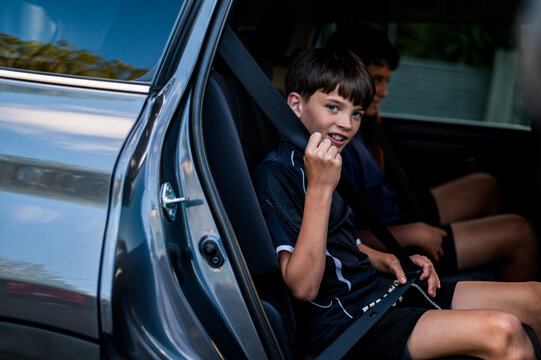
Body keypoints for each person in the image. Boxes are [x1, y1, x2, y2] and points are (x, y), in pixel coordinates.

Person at [253, 48, 541, 359]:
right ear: (296, 104)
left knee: (536, 298)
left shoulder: (325, 157)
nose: (347, 124)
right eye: (333, 107)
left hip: (379, 291)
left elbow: (338, 244)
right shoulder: (279, 174)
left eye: (356, 113)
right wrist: (321, 189)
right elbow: (303, 287)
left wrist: (388, 259)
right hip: (349, 324)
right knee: (504, 333)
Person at [325, 25, 539, 281]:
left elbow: (383, 181)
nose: (383, 92)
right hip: (390, 239)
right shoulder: (337, 143)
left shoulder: (365, 126)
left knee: (486, 185)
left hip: (397, 211)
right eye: (376, 81)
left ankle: (479, 265)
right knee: (519, 233)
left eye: (385, 81)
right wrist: (414, 233)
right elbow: (343, 233)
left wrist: (373, 126)